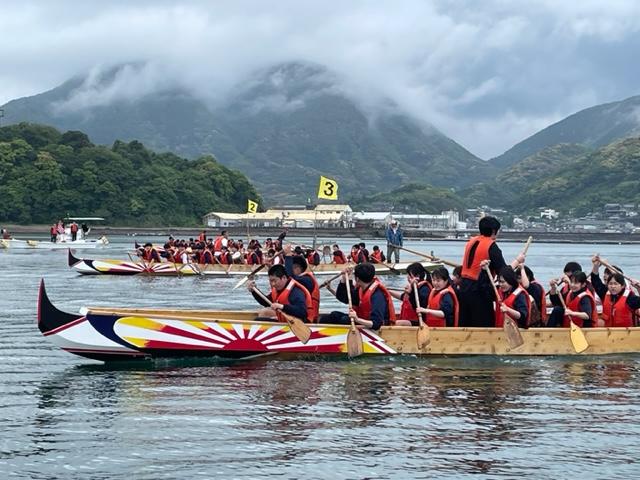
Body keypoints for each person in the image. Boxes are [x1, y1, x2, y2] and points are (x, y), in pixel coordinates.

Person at [458, 216, 524, 327]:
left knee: (466, 323)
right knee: (483, 323)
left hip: (464, 286)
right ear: (494, 231)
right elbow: (504, 273)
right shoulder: (491, 246)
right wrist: (518, 261)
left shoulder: (471, 242)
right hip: (479, 289)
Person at [320, 263, 396, 330]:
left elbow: (376, 324)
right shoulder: (361, 289)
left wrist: (357, 319)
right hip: (363, 320)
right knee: (333, 315)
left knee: (344, 320)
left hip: (373, 327)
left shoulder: (377, 295)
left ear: (357, 279)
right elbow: (345, 298)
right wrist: (344, 278)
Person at [247, 264, 312, 323]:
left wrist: (282, 306)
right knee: (263, 313)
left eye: (274, 281)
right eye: (271, 281)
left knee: (258, 321)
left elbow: (302, 312)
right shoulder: (278, 289)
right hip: (287, 320)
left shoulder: (295, 291)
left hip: (300, 324)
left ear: (283, 278)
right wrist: (254, 291)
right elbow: (267, 302)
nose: (273, 284)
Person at [284, 244, 320, 322]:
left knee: (266, 313)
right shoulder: (297, 280)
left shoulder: (307, 280)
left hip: (307, 320)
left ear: (298, 268)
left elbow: (289, 277)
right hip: (295, 315)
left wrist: (288, 255)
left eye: (292, 267)